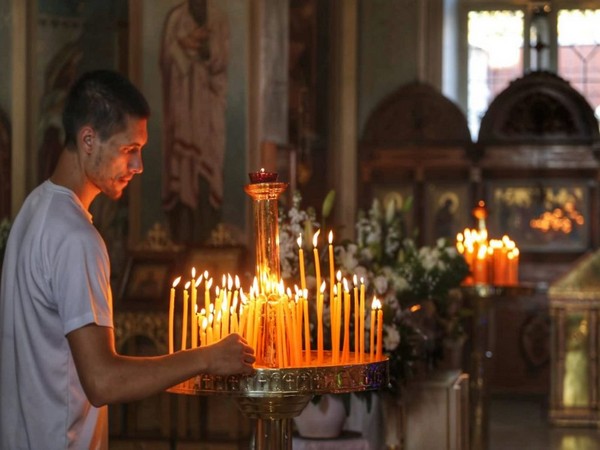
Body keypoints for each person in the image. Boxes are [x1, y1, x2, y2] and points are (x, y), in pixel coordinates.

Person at [0, 70, 255, 450]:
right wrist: (207, 357)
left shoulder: (33, 209)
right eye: (127, 150)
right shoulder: (76, 236)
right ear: (88, 139)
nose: (137, 166)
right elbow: (103, 380)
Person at [160, 0, 230, 244]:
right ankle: (181, 237)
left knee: (206, 171)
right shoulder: (175, 18)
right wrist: (183, 46)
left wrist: (204, 50)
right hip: (182, 110)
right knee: (183, 170)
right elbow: (167, 60)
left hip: (208, 111)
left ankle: (208, 236)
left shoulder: (218, 18)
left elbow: (222, 59)